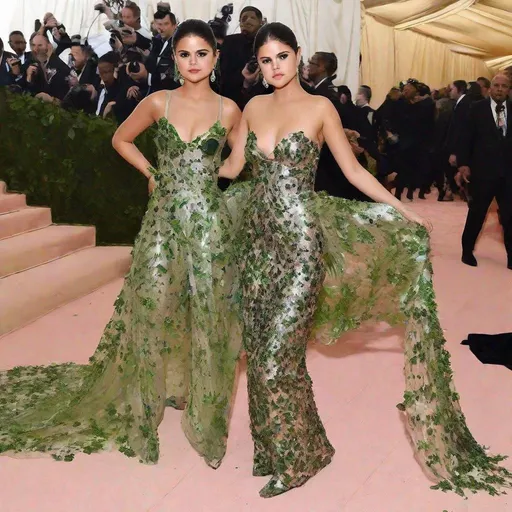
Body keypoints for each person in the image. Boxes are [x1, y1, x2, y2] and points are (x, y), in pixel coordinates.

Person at [220, 22, 511, 498]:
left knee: (278, 356)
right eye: (266, 60)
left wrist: (402, 209)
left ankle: (296, 462)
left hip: (299, 247)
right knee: (259, 349)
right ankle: (295, 446)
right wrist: (189, 170)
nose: (275, 67)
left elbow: (353, 170)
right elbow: (234, 167)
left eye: (283, 57)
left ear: (298, 56)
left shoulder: (320, 108)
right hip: (256, 246)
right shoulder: (252, 107)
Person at [0, 19, 241, 471]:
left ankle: (199, 406)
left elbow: (240, 155)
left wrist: (216, 176)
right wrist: (152, 173)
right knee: (151, 303)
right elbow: (120, 138)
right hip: (162, 222)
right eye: (184, 54)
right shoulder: (157, 101)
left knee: (207, 309)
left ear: (215, 57)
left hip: (209, 223)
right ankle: (144, 399)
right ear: (175, 58)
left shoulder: (229, 109)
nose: (193, 62)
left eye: (201, 54)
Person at [457, 74, 512, 269]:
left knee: (509, 215)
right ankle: (467, 250)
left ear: (509, 89)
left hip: (508, 173)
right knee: (477, 212)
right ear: (490, 88)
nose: (499, 89)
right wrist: (463, 163)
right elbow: (465, 137)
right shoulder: (476, 109)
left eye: (504, 86)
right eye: (496, 85)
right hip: (482, 171)